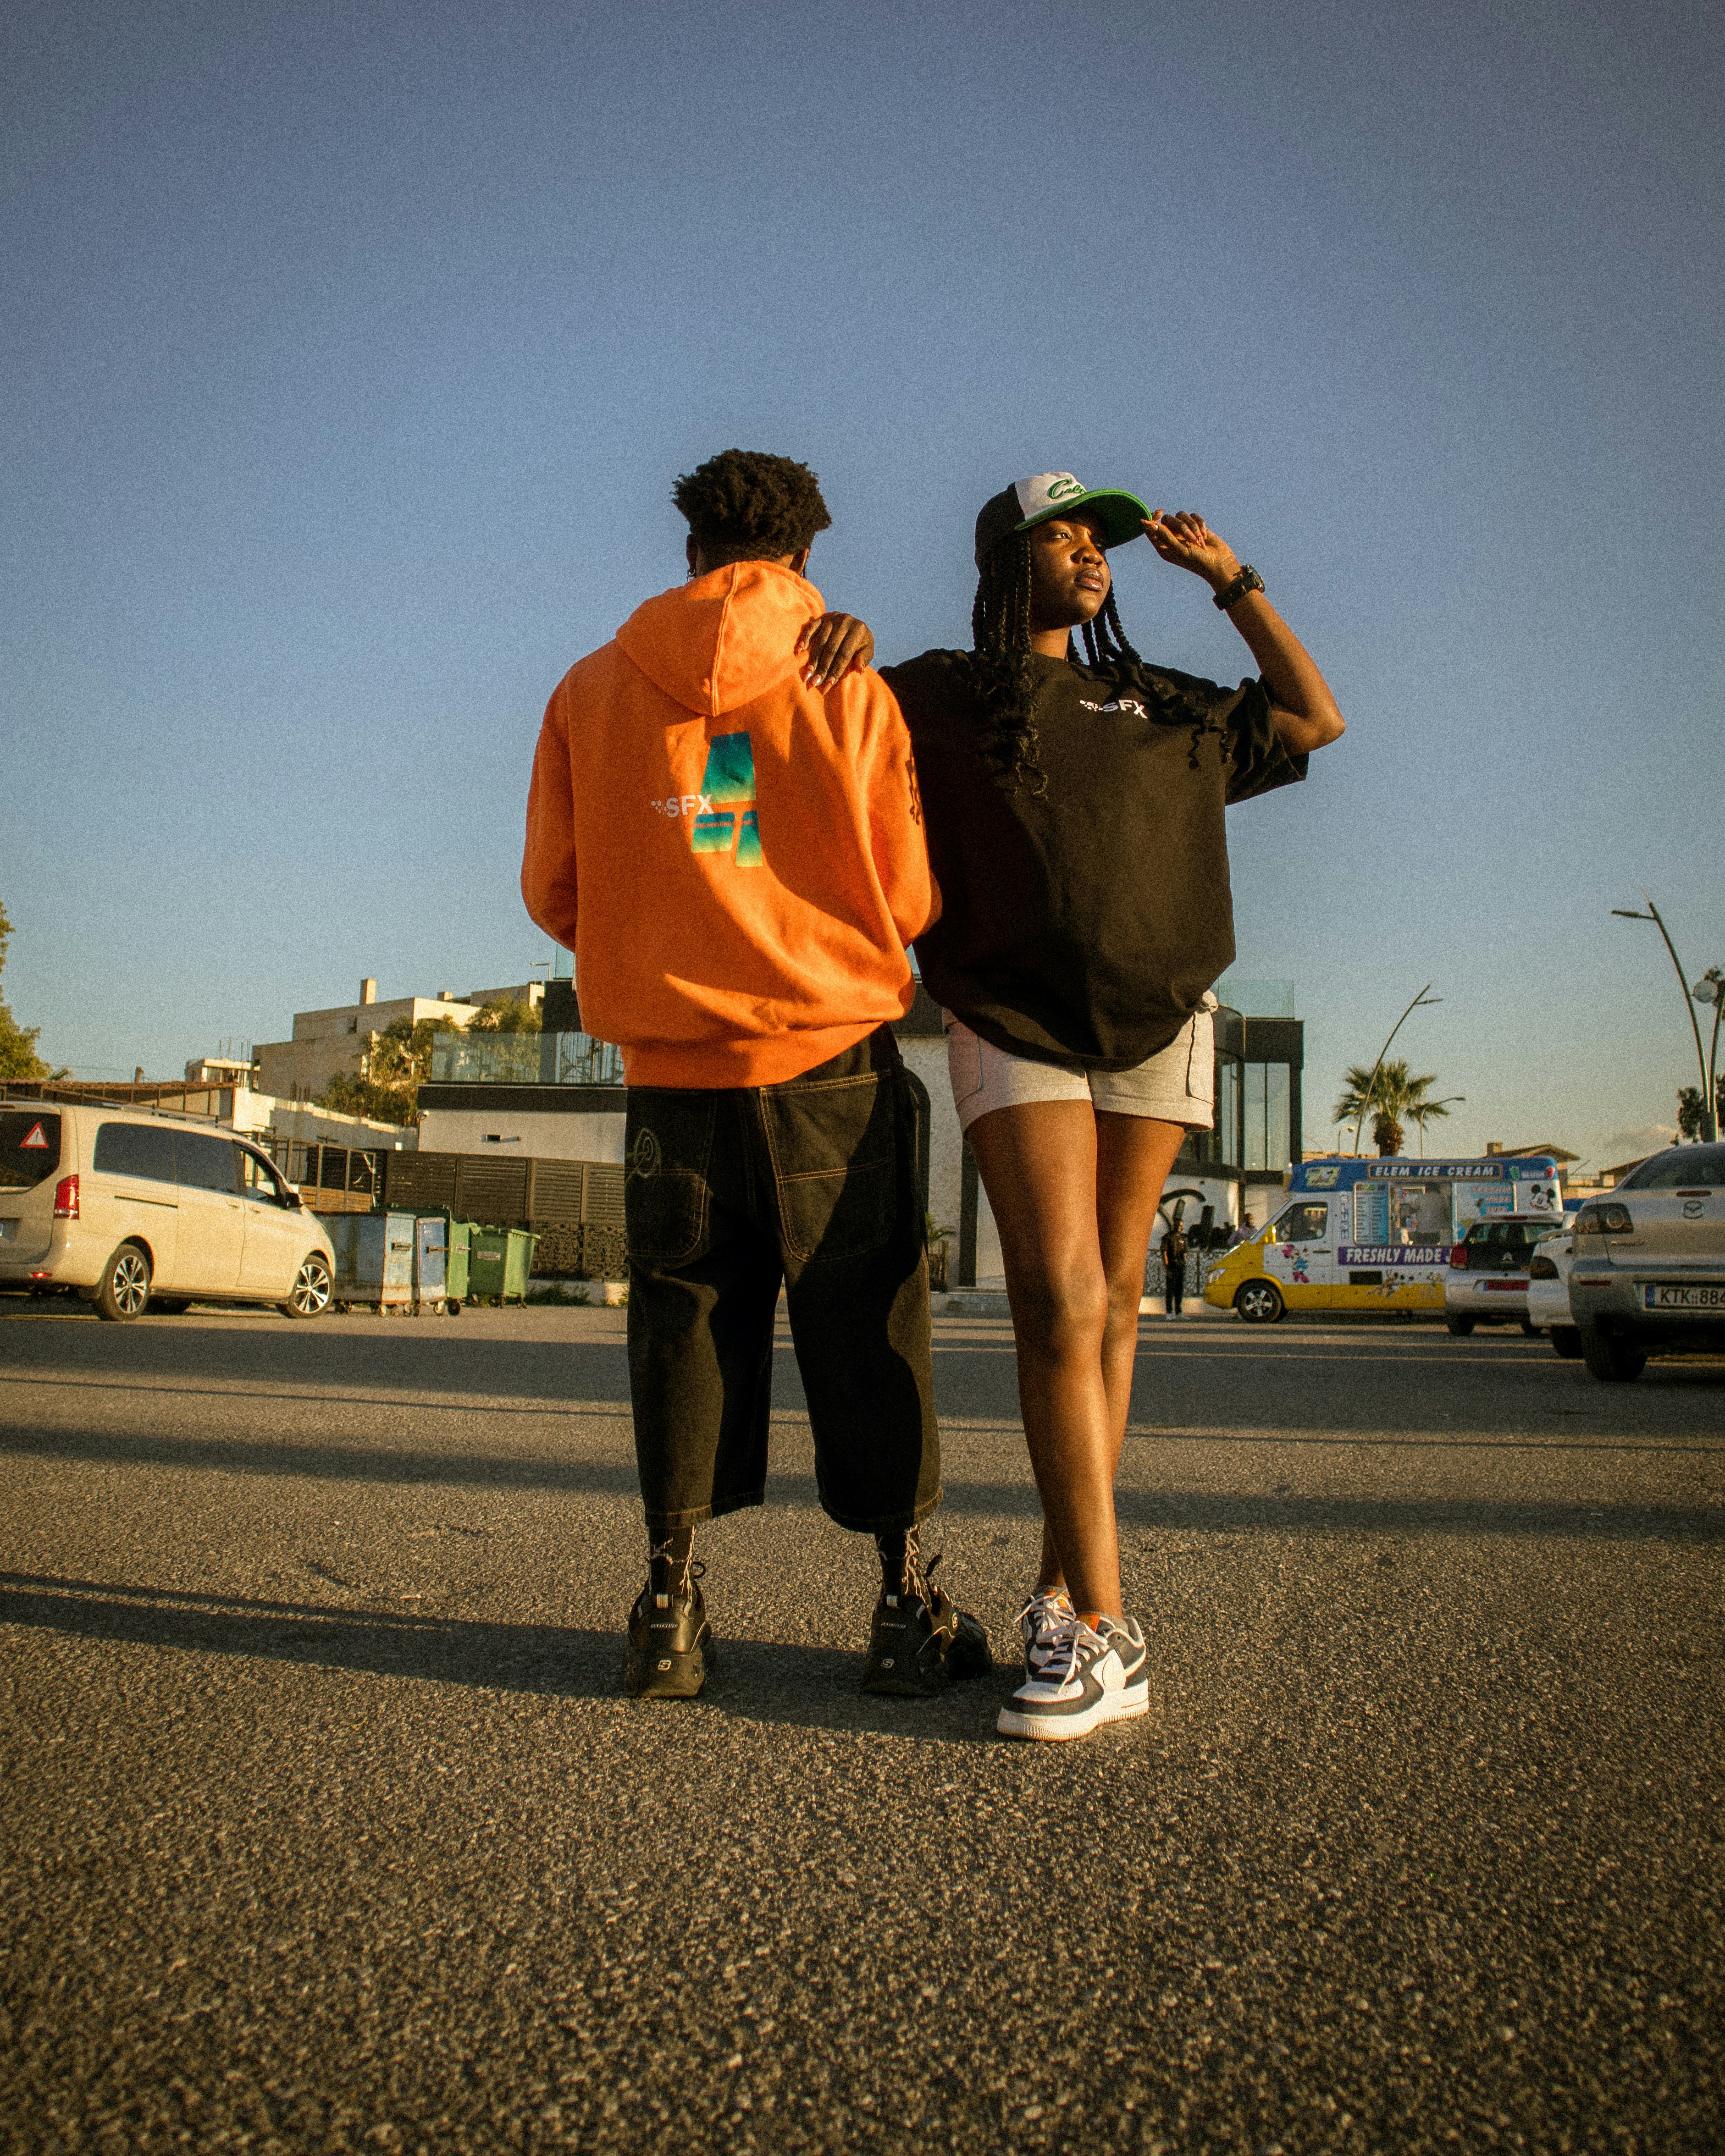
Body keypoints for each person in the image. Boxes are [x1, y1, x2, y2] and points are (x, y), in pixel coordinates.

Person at [879, 471, 1345, 1740]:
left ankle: (1053, 1587)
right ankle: (1107, 1626)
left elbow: (1313, 718)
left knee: (1118, 1302)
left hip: (1162, 1016)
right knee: (1059, 1296)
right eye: (1061, 534)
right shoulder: (935, 689)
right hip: (1010, 1016)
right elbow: (797, 748)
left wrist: (1231, 580)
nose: (1090, 552)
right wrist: (821, 643)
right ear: (1000, 558)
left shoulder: (1166, 700)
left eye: (1101, 537)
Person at [521, 449, 989, 1703]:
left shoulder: (590, 687)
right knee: (868, 1314)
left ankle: (666, 1606)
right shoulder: (845, 679)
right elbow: (905, 893)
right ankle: (903, 1606)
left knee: (682, 1320)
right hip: (828, 1054)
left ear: (691, 548)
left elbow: (555, 889)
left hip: (670, 1077)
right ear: (802, 554)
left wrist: (668, 946)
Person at [1160, 1219, 1190, 1318]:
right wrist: (1167, 1268)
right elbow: (1164, 1253)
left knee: (1179, 1290)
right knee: (1170, 1290)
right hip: (1172, 1265)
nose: (1179, 1227)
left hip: (1180, 1266)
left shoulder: (1183, 1238)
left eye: (1181, 1226)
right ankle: (1169, 1312)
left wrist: (1184, 1260)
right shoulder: (1168, 1237)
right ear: (1174, 1226)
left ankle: (1179, 1312)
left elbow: (1185, 1252)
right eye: (1178, 1225)